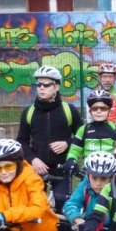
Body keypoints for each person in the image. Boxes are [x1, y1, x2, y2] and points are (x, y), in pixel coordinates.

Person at [16, 65, 84, 213]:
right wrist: (33, 159)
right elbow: (21, 141)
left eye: (46, 85)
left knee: (62, 206)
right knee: (35, 207)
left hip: (61, 169)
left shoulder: (69, 110)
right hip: (37, 169)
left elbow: (83, 136)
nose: (41, 88)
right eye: (38, 84)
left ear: (56, 86)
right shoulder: (29, 112)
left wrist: (67, 143)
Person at [64, 90, 116, 173]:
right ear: (90, 111)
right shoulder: (83, 130)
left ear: (109, 111)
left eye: (103, 108)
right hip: (89, 172)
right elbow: (74, 150)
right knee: (80, 187)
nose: (99, 111)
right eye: (94, 108)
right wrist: (71, 159)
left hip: (111, 172)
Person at [63, 151, 116, 227]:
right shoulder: (85, 186)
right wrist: (78, 219)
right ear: (88, 175)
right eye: (94, 178)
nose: (98, 183)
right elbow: (70, 204)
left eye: (103, 179)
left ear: (111, 178)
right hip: (88, 228)